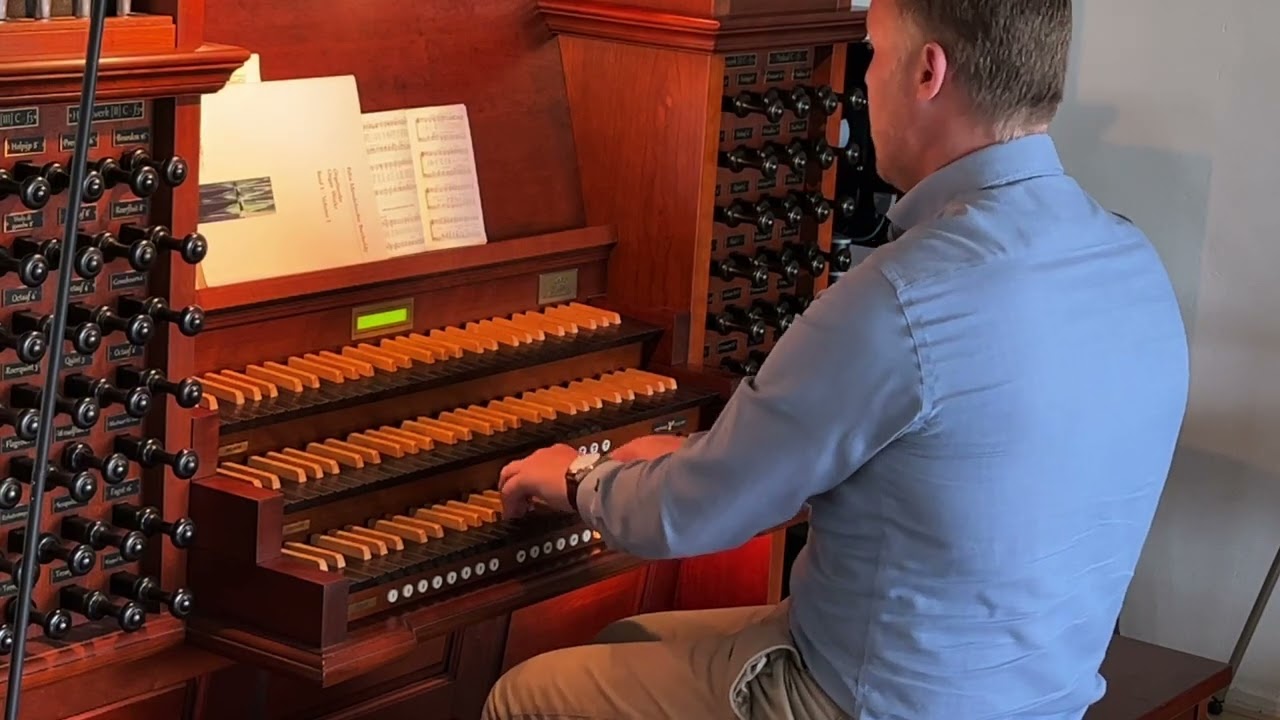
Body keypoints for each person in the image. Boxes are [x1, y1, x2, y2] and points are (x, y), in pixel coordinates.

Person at [485, 0, 1189, 716]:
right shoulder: (1133, 261)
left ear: (927, 71)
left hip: (865, 704)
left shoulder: (901, 297)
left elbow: (690, 519)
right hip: (1043, 699)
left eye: (873, 53)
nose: (861, 81)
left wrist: (575, 477)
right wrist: (709, 457)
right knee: (624, 641)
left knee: (528, 695)